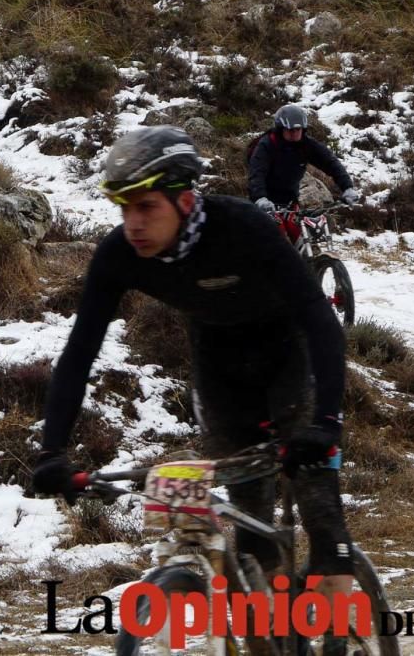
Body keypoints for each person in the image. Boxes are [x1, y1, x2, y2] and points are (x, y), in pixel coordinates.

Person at [32, 125, 354, 651]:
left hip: (289, 357)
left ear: (184, 200)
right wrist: (52, 450)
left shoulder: (244, 227)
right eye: (123, 208)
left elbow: (319, 320)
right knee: (253, 541)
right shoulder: (121, 253)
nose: (132, 223)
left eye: (146, 207)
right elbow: (80, 351)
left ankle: (341, 617)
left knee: (322, 518)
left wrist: (326, 423)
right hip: (221, 368)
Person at [248, 104, 359, 218]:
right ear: (281, 129)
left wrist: (347, 187)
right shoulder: (266, 145)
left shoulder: (306, 145)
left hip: (291, 202)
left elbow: (331, 163)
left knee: (298, 232)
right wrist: (260, 197)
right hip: (265, 204)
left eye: (298, 129)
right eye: (291, 130)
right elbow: (257, 174)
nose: (295, 133)